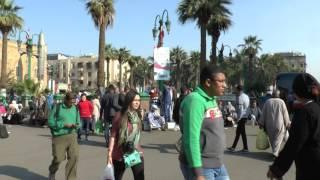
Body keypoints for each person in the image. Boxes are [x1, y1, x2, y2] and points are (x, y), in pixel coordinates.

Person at [179, 64, 229, 180]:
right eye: (221, 81)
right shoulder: (195, 101)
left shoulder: (212, 99)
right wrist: (198, 172)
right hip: (202, 167)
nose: (224, 85)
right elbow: (191, 138)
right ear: (208, 82)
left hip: (218, 164)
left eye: (224, 81)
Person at [267, 73, 320, 180]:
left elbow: (294, 143)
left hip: (310, 167)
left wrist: (277, 169)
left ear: (297, 92)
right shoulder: (316, 108)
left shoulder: (305, 112)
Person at [107, 89, 144, 180]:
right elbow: (113, 136)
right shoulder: (119, 115)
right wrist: (109, 154)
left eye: (138, 100)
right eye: (135, 100)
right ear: (129, 101)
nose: (137, 103)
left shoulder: (138, 115)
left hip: (134, 151)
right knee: (117, 177)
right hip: (120, 153)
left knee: (140, 177)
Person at [48, 92, 80, 180]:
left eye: (74, 102)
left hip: (72, 136)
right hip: (59, 137)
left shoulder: (75, 108)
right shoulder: (58, 107)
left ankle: (71, 178)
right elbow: (50, 121)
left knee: (74, 157)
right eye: (71, 102)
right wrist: (64, 125)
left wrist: (77, 125)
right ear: (66, 100)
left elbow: (78, 122)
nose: (72, 104)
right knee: (58, 158)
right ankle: (52, 171)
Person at [259, 90, 290, 158]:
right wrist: (288, 123)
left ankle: (274, 152)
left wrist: (261, 123)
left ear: (272, 95)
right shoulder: (281, 102)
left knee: (272, 139)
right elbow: (285, 114)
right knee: (278, 139)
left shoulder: (268, 102)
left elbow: (263, 113)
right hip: (279, 124)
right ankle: (275, 153)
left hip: (269, 125)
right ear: (278, 95)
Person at [227, 85, 250, 152]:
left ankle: (234, 147)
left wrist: (238, 119)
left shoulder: (240, 98)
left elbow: (240, 110)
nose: (235, 91)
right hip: (245, 116)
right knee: (242, 133)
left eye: (236, 90)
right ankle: (245, 148)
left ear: (238, 90)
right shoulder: (246, 96)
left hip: (242, 117)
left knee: (238, 132)